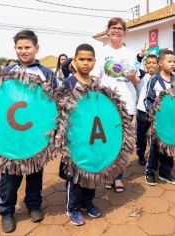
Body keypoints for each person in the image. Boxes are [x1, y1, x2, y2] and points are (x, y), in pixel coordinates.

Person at [0, 30, 57, 233]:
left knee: (35, 173)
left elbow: (55, 103)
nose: (23, 51)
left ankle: (33, 206)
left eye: (27, 47)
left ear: (36, 48)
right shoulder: (6, 72)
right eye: (19, 48)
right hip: (11, 135)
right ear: (15, 49)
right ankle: (6, 212)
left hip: (36, 135)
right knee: (9, 176)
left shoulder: (47, 74)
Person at [91, 17, 139, 193]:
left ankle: (118, 177)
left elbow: (137, 81)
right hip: (107, 104)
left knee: (122, 142)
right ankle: (108, 175)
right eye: (113, 27)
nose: (117, 30)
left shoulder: (131, 54)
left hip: (127, 102)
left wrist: (133, 76)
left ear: (124, 32)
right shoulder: (101, 53)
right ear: (108, 31)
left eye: (120, 28)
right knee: (108, 140)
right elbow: (96, 79)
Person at [59, 44, 102, 226]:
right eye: (81, 59)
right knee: (75, 174)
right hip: (74, 139)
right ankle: (73, 207)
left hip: (93, 137)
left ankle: (87, 202)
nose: (85, 63)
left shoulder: (96, 83)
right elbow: (59, 108)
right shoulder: (68, 83)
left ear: (94, 61)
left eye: (89, 59)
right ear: (74, 61)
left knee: (92, 170)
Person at [144, 50, 175, 186]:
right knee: (154, 147)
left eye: (174, 62)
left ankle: (165, 172)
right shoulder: (154, 80)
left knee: (169, 146)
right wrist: (153, 115)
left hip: (172, 121)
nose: (172, 64)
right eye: (169, 61)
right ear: (160, 63)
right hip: (158, 121)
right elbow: (148, 100)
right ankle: (150, 172)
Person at [136, 54, 159, 166]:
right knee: (141, 135)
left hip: (156, 113)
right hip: (142, 111)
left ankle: (153, 157)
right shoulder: (141, 75)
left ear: (158, 65)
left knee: (154, 136)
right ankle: (140, 155)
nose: (151, 65)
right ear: (145, 64)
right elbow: (133, 69)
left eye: (154, 63)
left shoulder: (160, 78)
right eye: (148, 62)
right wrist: (139, 58)